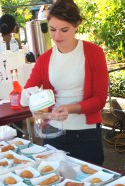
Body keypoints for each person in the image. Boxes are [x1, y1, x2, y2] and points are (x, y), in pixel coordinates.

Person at [24, 0, 108, 165]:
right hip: (54, 132)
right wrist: (33, 100)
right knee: (54, 181)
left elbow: (99, 100)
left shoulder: (94, 53)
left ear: (77, 25)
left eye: (64, 30)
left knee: (90, 182)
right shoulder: (45, 59)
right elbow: (29, 89)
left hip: (86, 133)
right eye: (52, 30)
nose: (57, 36)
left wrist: (69, 109)